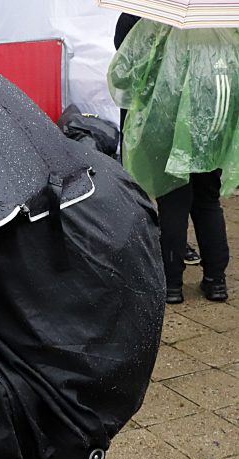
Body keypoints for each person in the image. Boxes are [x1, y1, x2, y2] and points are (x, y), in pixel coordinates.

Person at [109, 21, 237, 303]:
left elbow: (125, 61)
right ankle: (216, 281)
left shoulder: (152, 16)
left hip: (167, 118)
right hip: (213, 118)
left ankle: (172, 285)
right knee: (207, 199)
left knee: (173, 199)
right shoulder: (222, 20)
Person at [114, 13, 201, 268]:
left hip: (149, 113)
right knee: (177, 191)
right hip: (166, 112)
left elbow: (122, 59)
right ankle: (166, 248)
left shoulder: (136, 14)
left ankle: (164, 251)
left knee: (167, 191)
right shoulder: (139, 13)